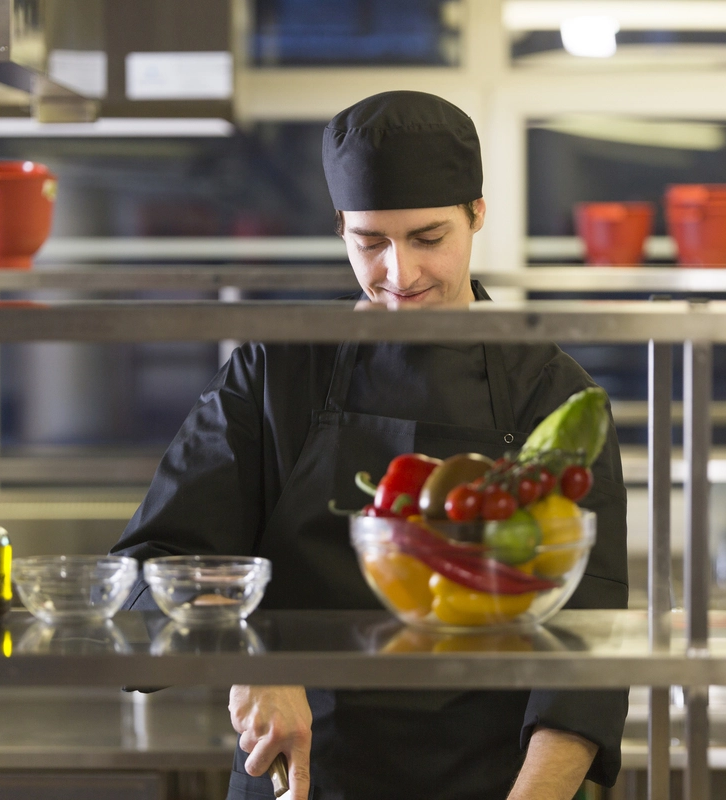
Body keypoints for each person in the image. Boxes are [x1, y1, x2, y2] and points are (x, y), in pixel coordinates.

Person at [111, 90, 628, 800]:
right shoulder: (278, 370)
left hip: (491, 780)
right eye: (371, 243)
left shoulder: (551, 392)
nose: (400, 275)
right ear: (340, 229)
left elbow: (588, 640)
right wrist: (253, 658)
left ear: (477, 215)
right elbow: (150, 569)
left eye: (428, 238)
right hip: (302, 775)